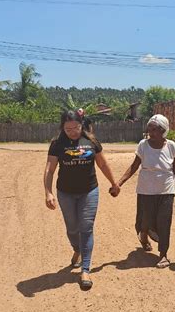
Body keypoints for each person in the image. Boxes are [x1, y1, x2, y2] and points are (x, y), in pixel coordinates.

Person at [44, 110, 120, 290]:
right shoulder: (57, 144)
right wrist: (48, 192)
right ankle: (77, 249)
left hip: (89, 191)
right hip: (65, 192)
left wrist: (113, 183)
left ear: (81, 124)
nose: (72, 132)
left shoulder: (91, 141)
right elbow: (50, 169)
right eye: (68, 128)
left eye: (76, 127)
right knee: (72, 227)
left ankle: (85, 269)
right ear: (62, 127)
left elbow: (102, 164)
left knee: (86, 227)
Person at [116, 114, 175, 269]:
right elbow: (134, 166)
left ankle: (163, 255)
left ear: (163, 131)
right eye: (150, 129)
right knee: (145, 220)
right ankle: (144, 236)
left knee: (164, 222)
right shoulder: (143, 145)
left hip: (166, 189)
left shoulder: (171, 146)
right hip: (146, 189)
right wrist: (119, 183)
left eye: (155, 130)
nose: (151, 133)